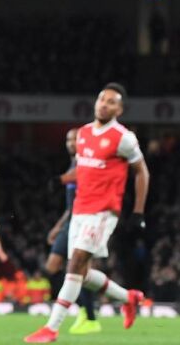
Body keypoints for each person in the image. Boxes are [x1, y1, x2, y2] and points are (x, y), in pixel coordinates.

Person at [24, 83, 150, 343]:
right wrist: (61, 179)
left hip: (103, 211)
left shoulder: (123, 137)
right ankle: (129, 298)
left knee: (75, 264)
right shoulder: (83, 133)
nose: (104, 104)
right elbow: (83, 169)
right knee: (81, 274)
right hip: (80, 209)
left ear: (119, 110)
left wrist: (138, 212)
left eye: (111, 102)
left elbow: (142, 172)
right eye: (102, 99)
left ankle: (51, 328)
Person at [45, 129, 100, 334]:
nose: (71, 142)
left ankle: (88, 315)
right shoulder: (73, 164)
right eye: (68, 139)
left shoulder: (86, 163)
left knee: (79, 270)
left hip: (83, 220)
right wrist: (58, 227)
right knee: (53, 267)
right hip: (71, 220)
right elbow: (70, 206)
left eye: (75, 139)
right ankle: (83, 307)